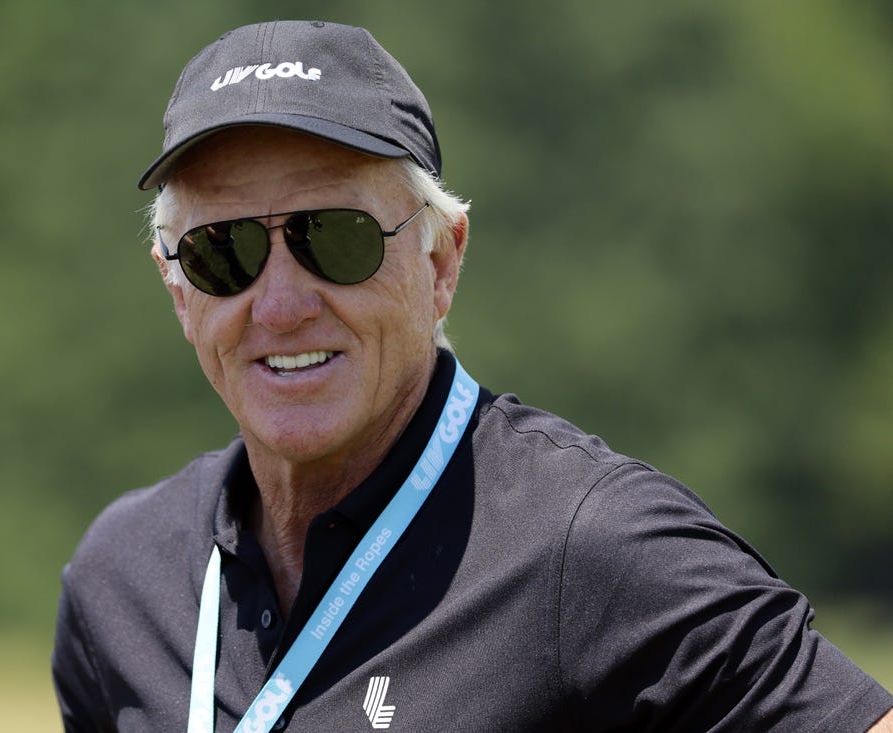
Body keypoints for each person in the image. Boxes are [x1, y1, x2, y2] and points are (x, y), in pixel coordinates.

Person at [52, 20, 893, 732]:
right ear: (178, 289)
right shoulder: (121, 583)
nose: (278, 304)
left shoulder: (591, 548)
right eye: (223, 251)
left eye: (333, 237)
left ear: (442, 261)